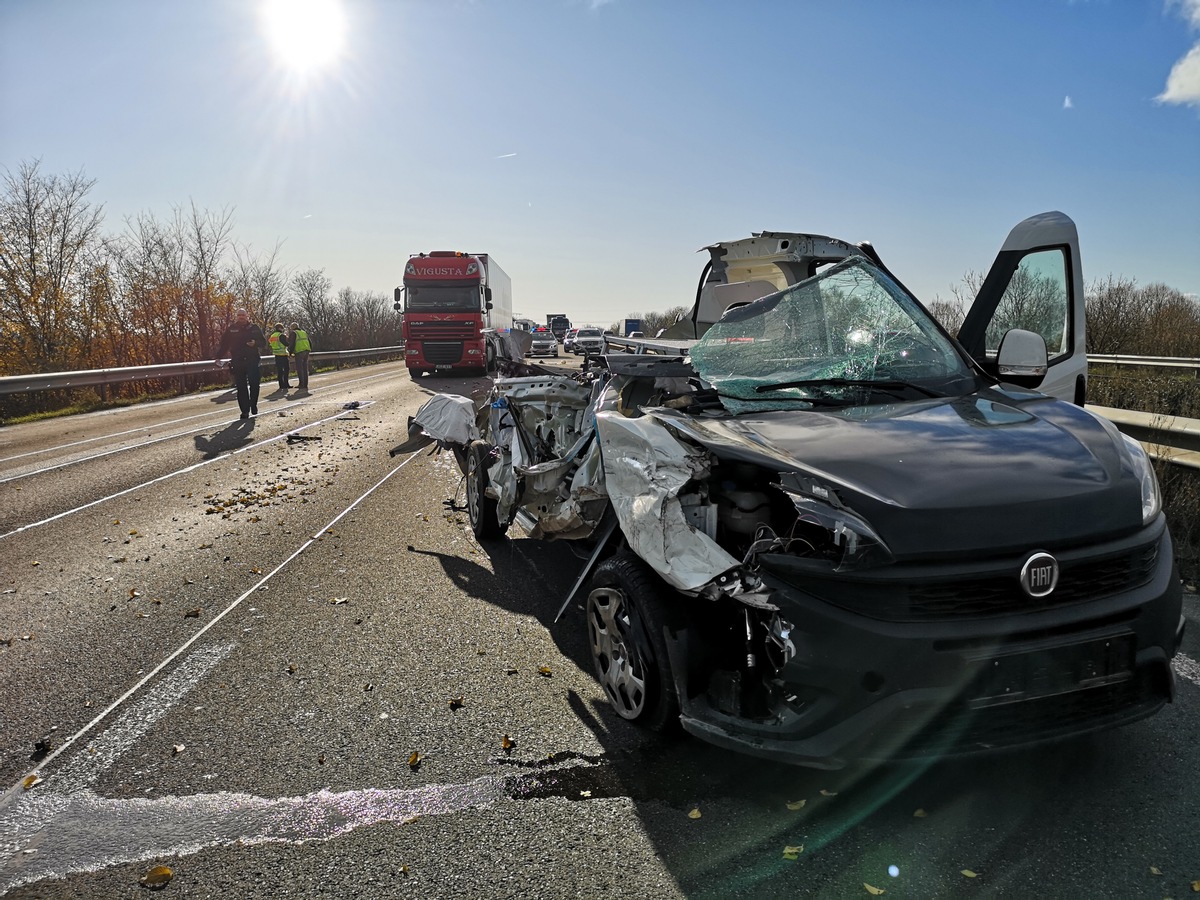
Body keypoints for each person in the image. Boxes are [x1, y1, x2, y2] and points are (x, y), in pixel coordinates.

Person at [215, 308, 268, 419]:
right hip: (237, 361)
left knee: (254, 384)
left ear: (247, 316)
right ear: (237, 316)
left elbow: (263, 342)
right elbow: (224, 345)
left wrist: (255, 343)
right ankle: (244, 411)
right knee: (241, 387)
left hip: (252, 360)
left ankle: (253, 404)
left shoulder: (254, 328)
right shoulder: (231, 329)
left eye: (243, 315)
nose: (241, 317)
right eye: (239, 315)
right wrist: (218, 357)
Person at [287, 321, 312, 391]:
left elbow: (292, 343)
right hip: (306, 350)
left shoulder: (294, 333)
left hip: (299, 351)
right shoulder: (303, 332)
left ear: (292, 328)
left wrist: (290, 352)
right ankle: (305, 384)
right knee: (305, 367)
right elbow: (310, 342)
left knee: (299, 368)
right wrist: (309, 349)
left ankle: (301, 384)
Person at [268, 322, 290, 390]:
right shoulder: (281, 335)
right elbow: (286, 344)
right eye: (282, 328)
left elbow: (270, 344)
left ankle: (281, 385)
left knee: (279, 370)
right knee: (286, 369)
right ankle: (286, 383)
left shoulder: (272, 336)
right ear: (280, 328)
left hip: (276, 354)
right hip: (283, 354)